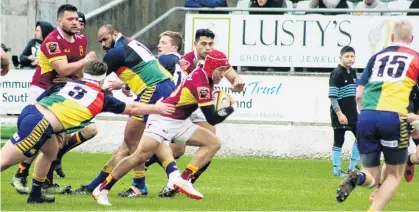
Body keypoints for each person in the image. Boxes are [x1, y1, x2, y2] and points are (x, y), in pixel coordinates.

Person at [0, 60, 175, 204]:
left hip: (32, 112)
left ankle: (36, 194)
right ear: (102, 79)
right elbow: (133, 107)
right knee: (5, 161)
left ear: (84, 74)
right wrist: (157, 108)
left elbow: (42, 100)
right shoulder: (102, 97)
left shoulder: (66, 83)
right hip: (40, 124)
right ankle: (32, 188)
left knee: (50, 151)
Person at [92, 49, 235, 206]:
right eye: (221, 70)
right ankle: (102, 189)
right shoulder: (201, 83)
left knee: (213, 143)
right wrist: (229, 108)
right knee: (139, 156)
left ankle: (183, 179)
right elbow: (212, 118)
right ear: (212, 67)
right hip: (164, 119)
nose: (223, 75)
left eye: (224, 70)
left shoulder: (205, 75)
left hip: (179, 121)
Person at [72, 24, 177, 198]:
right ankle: (174, 177)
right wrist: (127, 84)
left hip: (153, 89)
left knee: (131, 138)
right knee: (149, 140)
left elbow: (94, 77)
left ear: (115, 34)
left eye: (105, 39)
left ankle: (139, 186)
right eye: (100, 42)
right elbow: (142, 66)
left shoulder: (116, 52)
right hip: (163, 87)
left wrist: (87, 61)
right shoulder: (129, 43)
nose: (103, 45)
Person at [11, 4, 98, 195]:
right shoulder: (52, 42)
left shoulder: (81, 39)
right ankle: (20, 175)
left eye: (77, 19)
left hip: (61, 91)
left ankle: (44, 182)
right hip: (42, 91)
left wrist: (79, 79)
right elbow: (64, 69)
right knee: (37, 137)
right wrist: (86, 60)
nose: (75, 22)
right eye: (70, 19)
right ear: (59, 22)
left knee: (55, 142)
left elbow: (76, 72)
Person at [336, 20, 419, 211]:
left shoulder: (377, 57)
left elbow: (359, 94)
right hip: (395, 118)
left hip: (366, 116)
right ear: (412, 39)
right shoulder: (415, 57)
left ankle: (358, 177)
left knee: (371, 176)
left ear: (391, 37)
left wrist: (364, 114)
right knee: (393, 175)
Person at [328, 46, 360, 177]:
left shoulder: (353, 72)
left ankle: (352, 168)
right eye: (347, 56)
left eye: (352, 56)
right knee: (339, 140)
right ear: (340, 58)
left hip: (352, 113)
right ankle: (336, 170)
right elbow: (333, 96)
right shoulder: (337, 73)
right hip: (340, 113)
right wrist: (339, 114)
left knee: (361, 137)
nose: (350, 59)